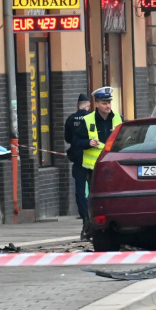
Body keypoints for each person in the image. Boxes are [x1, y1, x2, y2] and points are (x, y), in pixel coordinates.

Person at [72, 86, 123, 231]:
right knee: (92, 197)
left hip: (113, 166)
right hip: (92, 168)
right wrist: (88, 142)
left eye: (109, 103)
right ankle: (90, 225)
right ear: (96, 104)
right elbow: (76, 141)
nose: (107, 106)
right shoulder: (87, 120)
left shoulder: (119, 118)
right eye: (104, 103)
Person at [64, 93, 91, 226]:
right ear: (88, 105)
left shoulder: (71, 119)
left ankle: (84, 213)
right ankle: (93, 212)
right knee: (93, 186)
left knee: (79, 187)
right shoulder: (91, 118)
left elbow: (68, 139)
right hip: (91, 158)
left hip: (77, 157)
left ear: (77, 105)